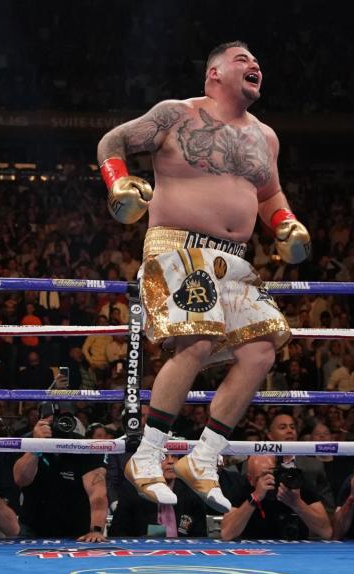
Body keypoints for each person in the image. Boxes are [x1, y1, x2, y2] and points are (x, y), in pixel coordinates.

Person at [96, 40, 310, 512]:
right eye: (242, 59)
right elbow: (111, 141)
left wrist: (286, 225)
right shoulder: (177, 114)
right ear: (214, 73)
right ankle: (148, 455)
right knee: (194, 341)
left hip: (234, 258)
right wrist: (119, 181)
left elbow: (269, 194)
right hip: (178, 245)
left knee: (260, 351)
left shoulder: (266, 137)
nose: (254, 64)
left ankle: (204, 456)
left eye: (257, 60)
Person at [13, 416, 109, 541]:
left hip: (77, 529)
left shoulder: (85, 446)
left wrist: (96, 530)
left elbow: (97, 493)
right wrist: (36, 446)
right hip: (34, 528)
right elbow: (21, 479)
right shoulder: (29, 441)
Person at [220, 455, 332, 540]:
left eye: (271, 474)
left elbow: (326, 531)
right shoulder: (243, 488)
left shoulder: (293, 483)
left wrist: (297, 504)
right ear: (250, 479)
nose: (269, 480)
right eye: (262, 477)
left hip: (295, 552)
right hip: (255, 553)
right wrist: (255, 498)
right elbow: (226, 533)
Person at [109, 455, 208, 538]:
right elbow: (117, 532)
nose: (170, 461)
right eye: (163, 457)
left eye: (174, 456)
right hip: (141, 554)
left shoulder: (191, 493)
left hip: (182, 555)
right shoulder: (132, 490)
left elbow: (200, 535)